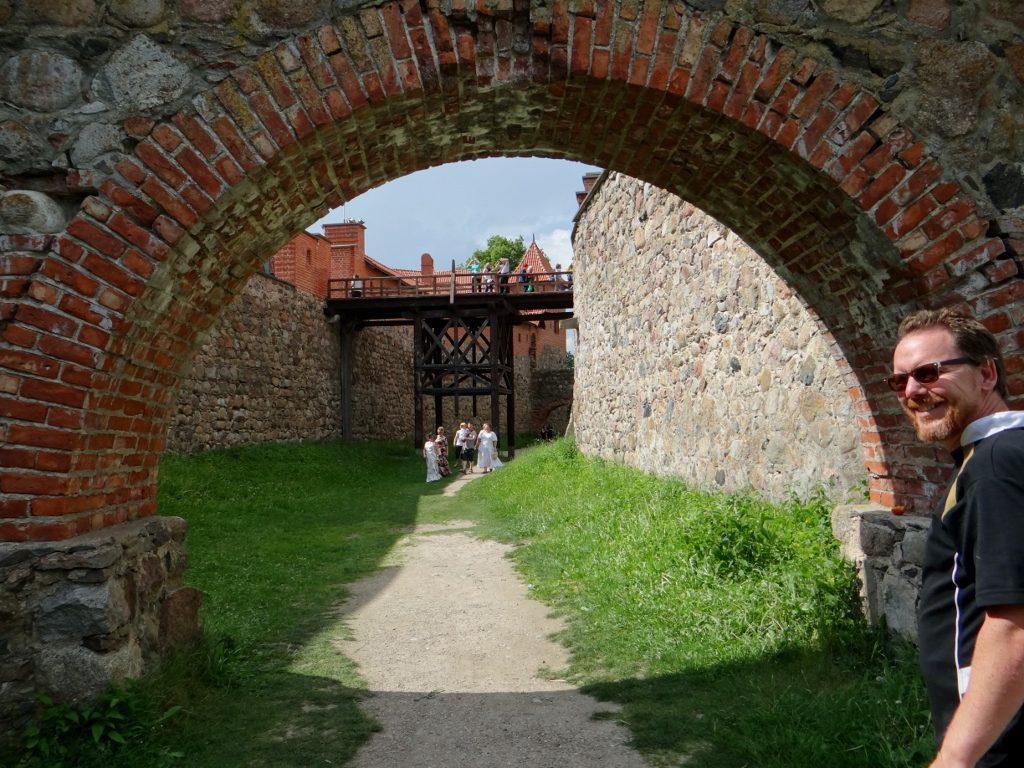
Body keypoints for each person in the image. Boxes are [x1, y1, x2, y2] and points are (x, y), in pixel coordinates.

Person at [889, 307, 1024, 768]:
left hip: (1000, 739)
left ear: (986, 374)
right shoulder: (999, 456)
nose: (912, 390)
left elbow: (1014, 624)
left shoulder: (993, 468)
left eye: (929, 372)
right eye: (900, 380)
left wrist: (956, 759)